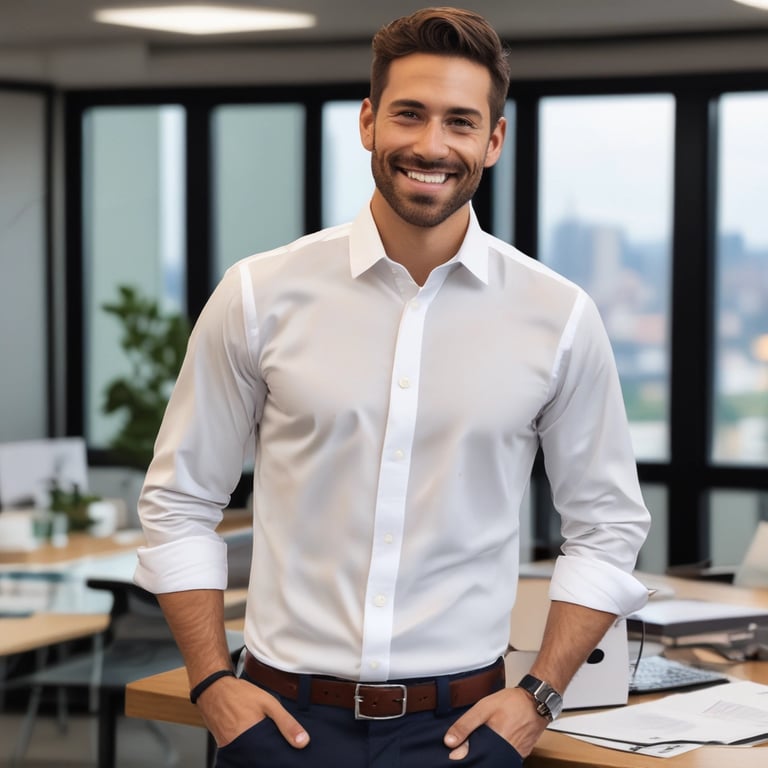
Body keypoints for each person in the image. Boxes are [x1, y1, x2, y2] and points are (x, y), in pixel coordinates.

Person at [134, 7, 651, 766]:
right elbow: (179, 500)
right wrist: (212, 681)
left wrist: (540, 694)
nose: (432, 146)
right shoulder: (258, 293)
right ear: (369, 122)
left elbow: (607, 527)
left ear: (494, 141)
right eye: (409, 114)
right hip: (280, 725)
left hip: (463, 736)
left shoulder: (559, 316)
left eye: (460, 122)